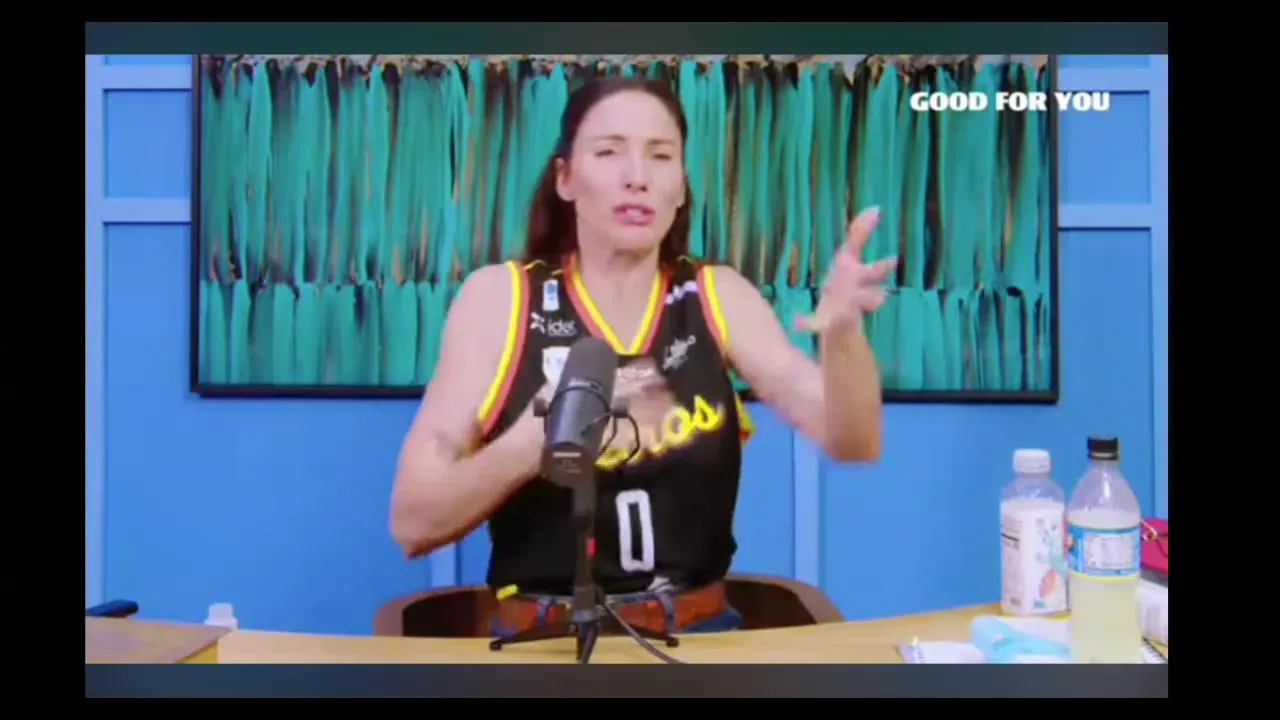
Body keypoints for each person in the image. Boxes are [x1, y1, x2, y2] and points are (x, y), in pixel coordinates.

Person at [389, 76, 896, 637]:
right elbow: (413, 522)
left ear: (680, 187)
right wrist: (536, 442)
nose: (637, 176)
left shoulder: (716, 295)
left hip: (697, 639)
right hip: (542, 642)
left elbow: (853, 440)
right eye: (609, 152)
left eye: (660, 155)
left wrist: (843, 336)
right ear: (565, 178)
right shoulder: (501, 299)